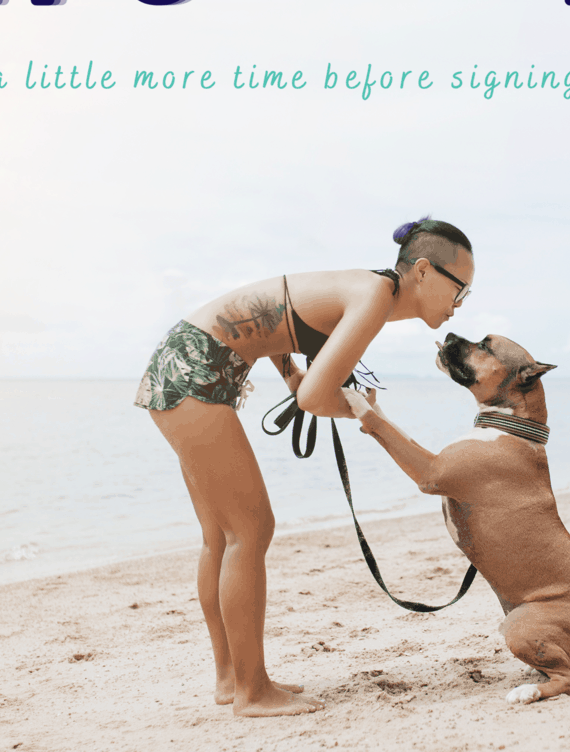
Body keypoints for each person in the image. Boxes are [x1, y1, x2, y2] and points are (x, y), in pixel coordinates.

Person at [135, 218, 475, 716]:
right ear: (423, 271)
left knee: (221, 536)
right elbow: (318, 398)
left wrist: (291, 369)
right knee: (250, 531)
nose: (459, 304)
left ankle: (233, 679)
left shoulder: (367, 287)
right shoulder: (376, 295)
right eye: (460, 289)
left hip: (186, 363)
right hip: (196, 372)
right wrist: (364, 410)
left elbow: (280, 313)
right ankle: (252, 692)